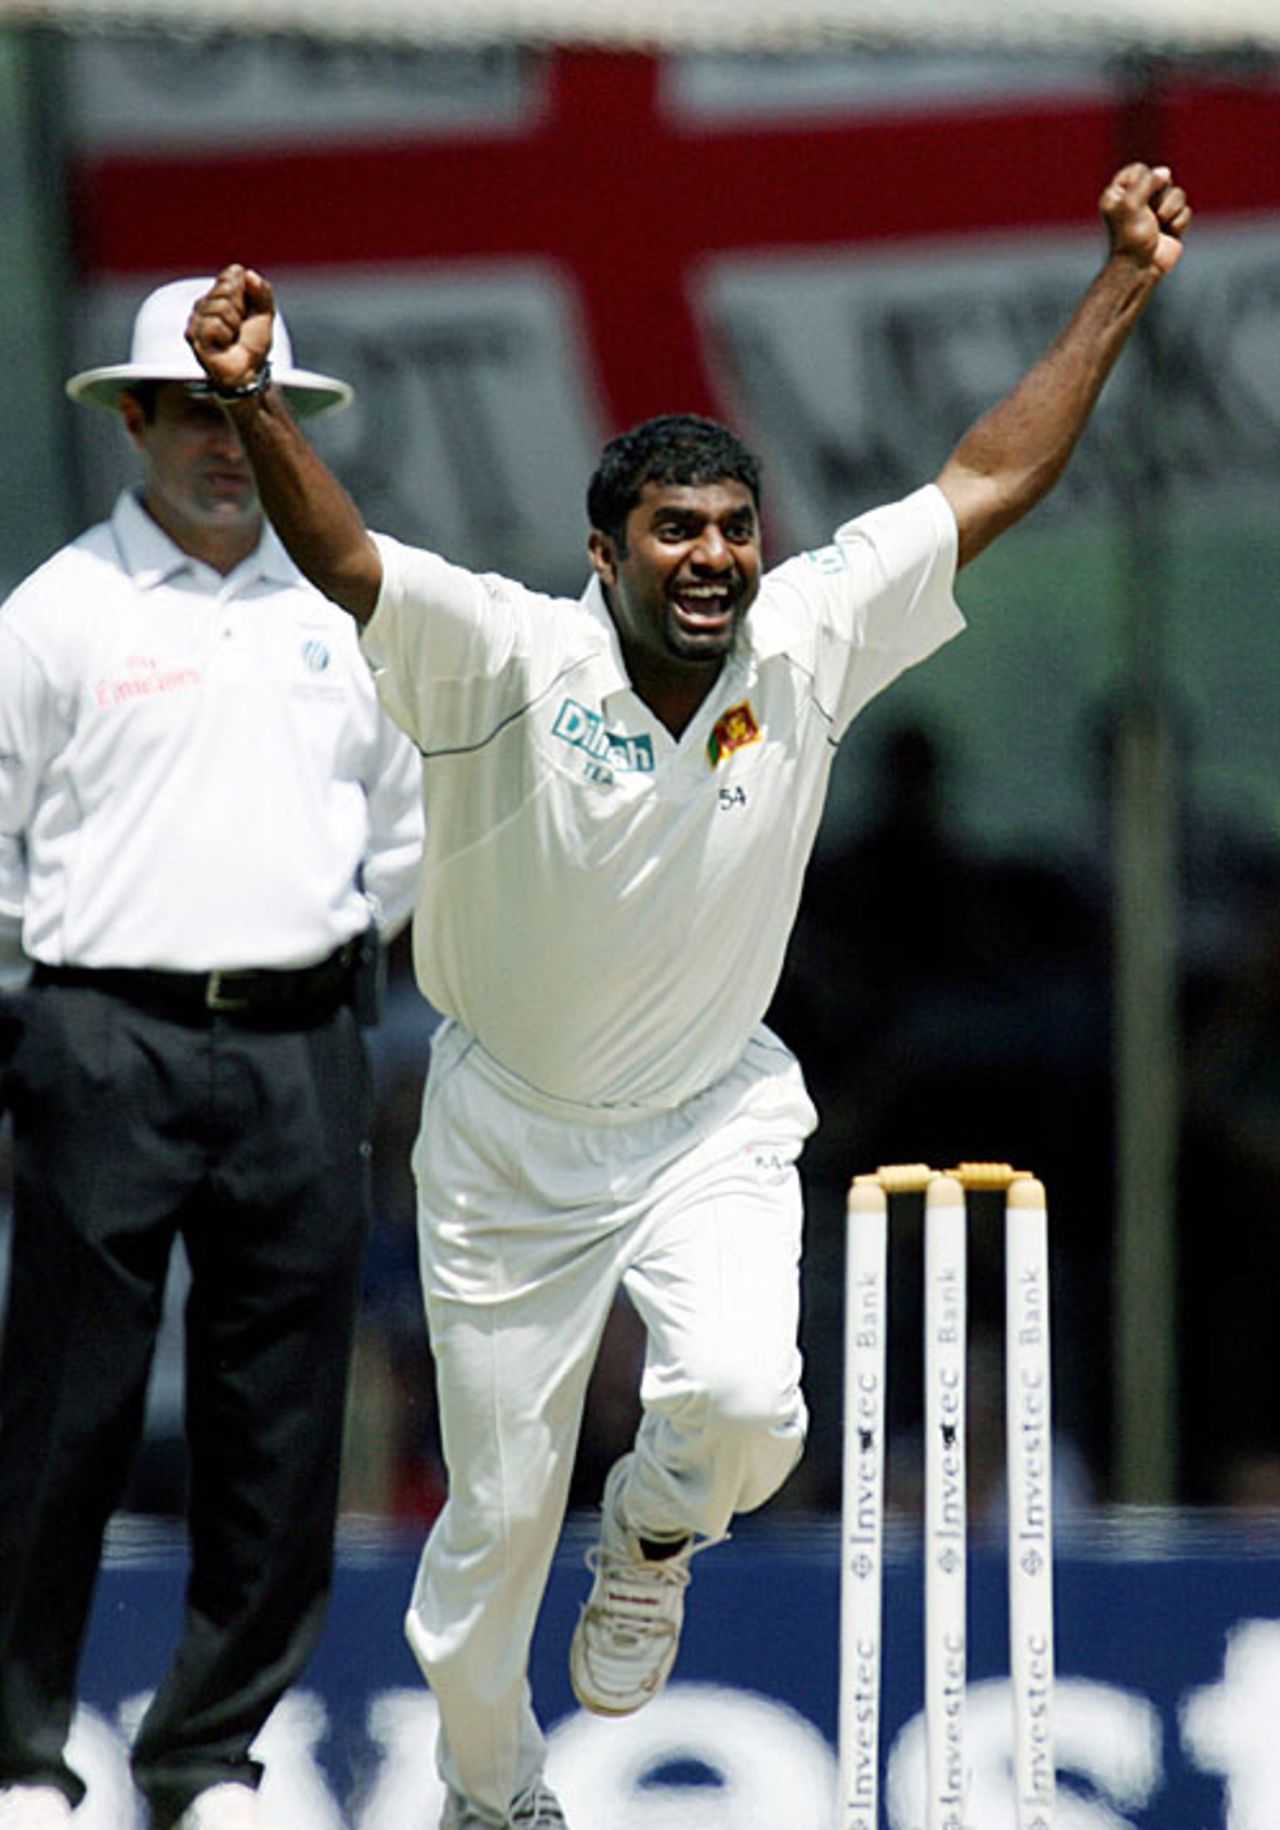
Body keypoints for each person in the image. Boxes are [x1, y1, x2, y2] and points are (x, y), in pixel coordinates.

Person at [184, 161, 1191, 1830]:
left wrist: (1122, 286)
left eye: (734, 527)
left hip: (709, 1109)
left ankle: (653, 1538)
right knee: (496, 1525)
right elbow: (348, 557)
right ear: (608, 552)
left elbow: (987, 476)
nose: (715, 556)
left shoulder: (804, 640)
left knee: (741, 1408)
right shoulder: (506, 655)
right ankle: (495, 1799)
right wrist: (246, 401)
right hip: (506, 1136)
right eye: (677, 531)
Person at [0, 280, 424, 1830]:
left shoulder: (349, 615)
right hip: (102, 1029)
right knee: (67, 1407)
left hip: (302, 1035)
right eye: (195, 409)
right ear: (134, 418)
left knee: (284, 1412)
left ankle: (207, 1755)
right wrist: (43, 1020)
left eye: (256, 414)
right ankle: (20, 1750)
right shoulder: (56, 613)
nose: (229, 445)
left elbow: (402, 840)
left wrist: (311, 955)